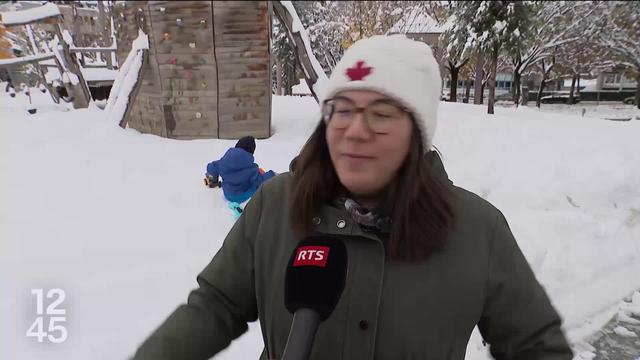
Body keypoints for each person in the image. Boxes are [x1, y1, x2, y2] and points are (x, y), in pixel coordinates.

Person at [134, 35, 572, 359]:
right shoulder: (274, 205)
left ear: (417, 135)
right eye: (342, 110)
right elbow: (216, 305)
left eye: (381, 114)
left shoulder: (478, 231)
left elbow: (536, 347)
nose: (354, 130)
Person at [204, 136, 276, 204]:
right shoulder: (251, 168)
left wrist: (212, 179)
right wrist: (272, 175)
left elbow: (213, 167)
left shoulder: (223, 162)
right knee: (259, 178)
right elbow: (259, 180)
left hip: (228, 194)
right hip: (243, 196)